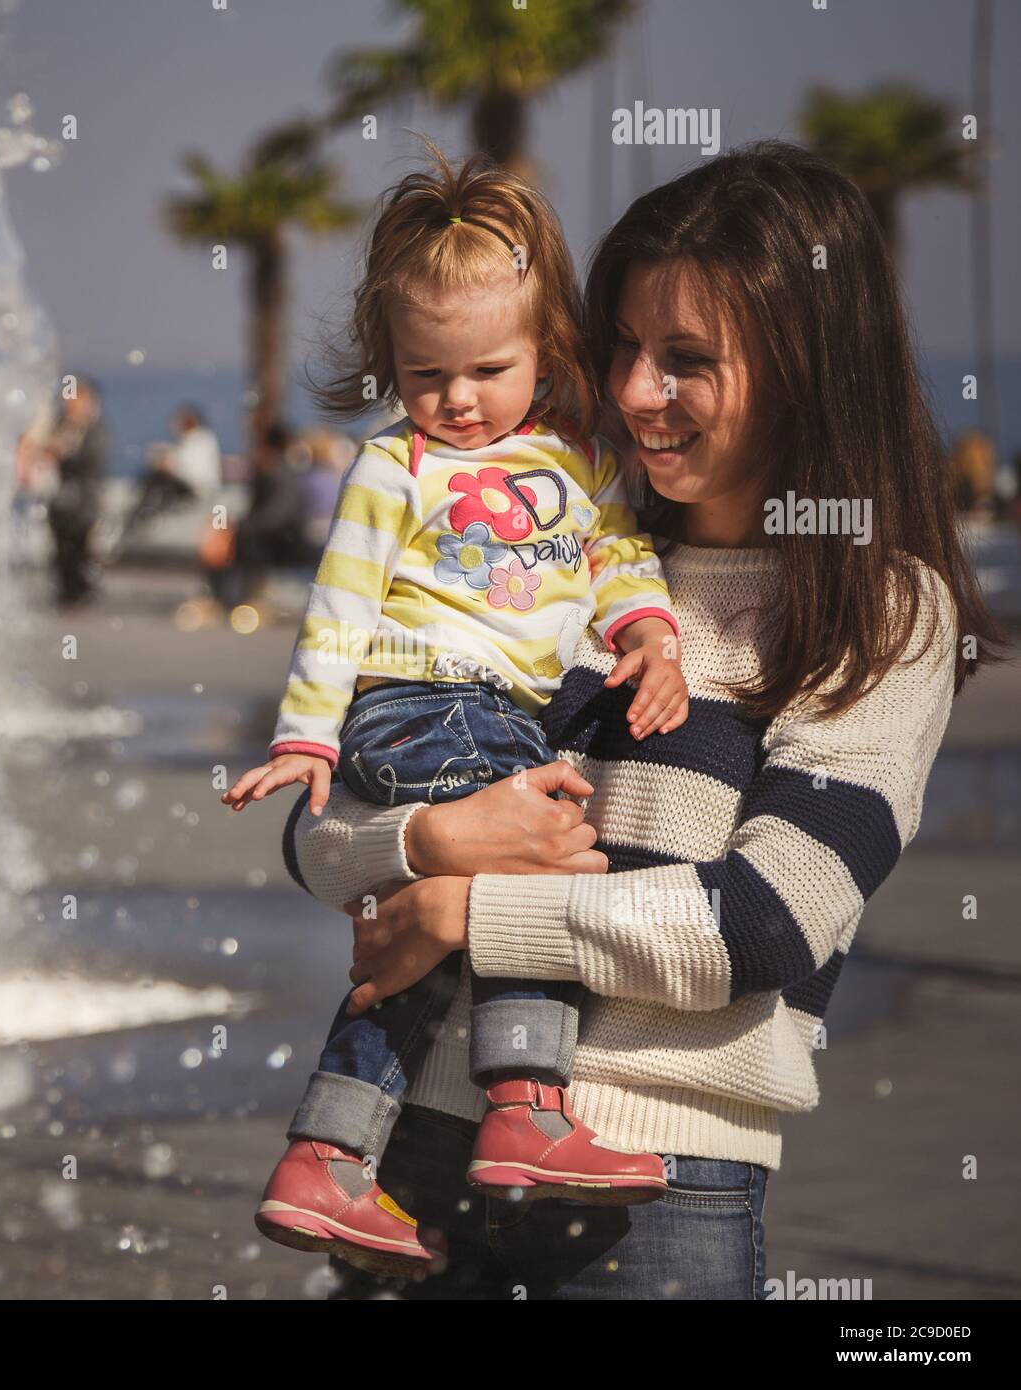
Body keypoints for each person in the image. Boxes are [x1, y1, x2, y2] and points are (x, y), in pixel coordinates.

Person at [277, 141, 1002, 1299]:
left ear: (809, 367)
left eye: (685, 360)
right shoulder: (567, 562)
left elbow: (764, 922)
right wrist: (419, 845)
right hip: (416, 1154)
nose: (628, 393)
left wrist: (465, 905)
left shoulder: (878, 609)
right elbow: (320, 828)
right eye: (618, 346)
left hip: (656, 1187)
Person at [223, 148, 688, 1277]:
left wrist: (650, 631)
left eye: (490, 367)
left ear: (546, 351)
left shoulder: (579, 460)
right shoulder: (393, 465)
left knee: (422, 947)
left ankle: (327, 1158)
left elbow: (619, 554)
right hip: (425, 699)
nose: (460, 399)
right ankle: (526, 1104)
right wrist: (304, 734)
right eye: (428, 373)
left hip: (501, 718)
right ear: (390, 361)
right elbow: (337, 606)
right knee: (537, 869)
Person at [205, 422, 311, 614]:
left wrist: (239, 527)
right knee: (236, 542)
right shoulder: (278, 472)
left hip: (283, 540)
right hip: (277, 535)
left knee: (244, 544)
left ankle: (234, 598)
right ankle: (231, 597)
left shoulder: (279, 475)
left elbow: (277, 516)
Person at [116, 404, 221, 555]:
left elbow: (193, 472)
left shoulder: (200, 440)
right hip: (192, 486)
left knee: (157, 479)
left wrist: (170, 464)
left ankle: (142, 515)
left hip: (196, 490)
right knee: (157, 478)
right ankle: (143, 514)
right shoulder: (200, 439)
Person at [43, 375, 109, 606]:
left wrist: (66, 452)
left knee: (81, 546)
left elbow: (94, 460)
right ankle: (66, 591)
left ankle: (81, 591)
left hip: (84, 500)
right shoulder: (61, 425)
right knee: (61, 547)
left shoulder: (95, 428)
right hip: (60, 498)